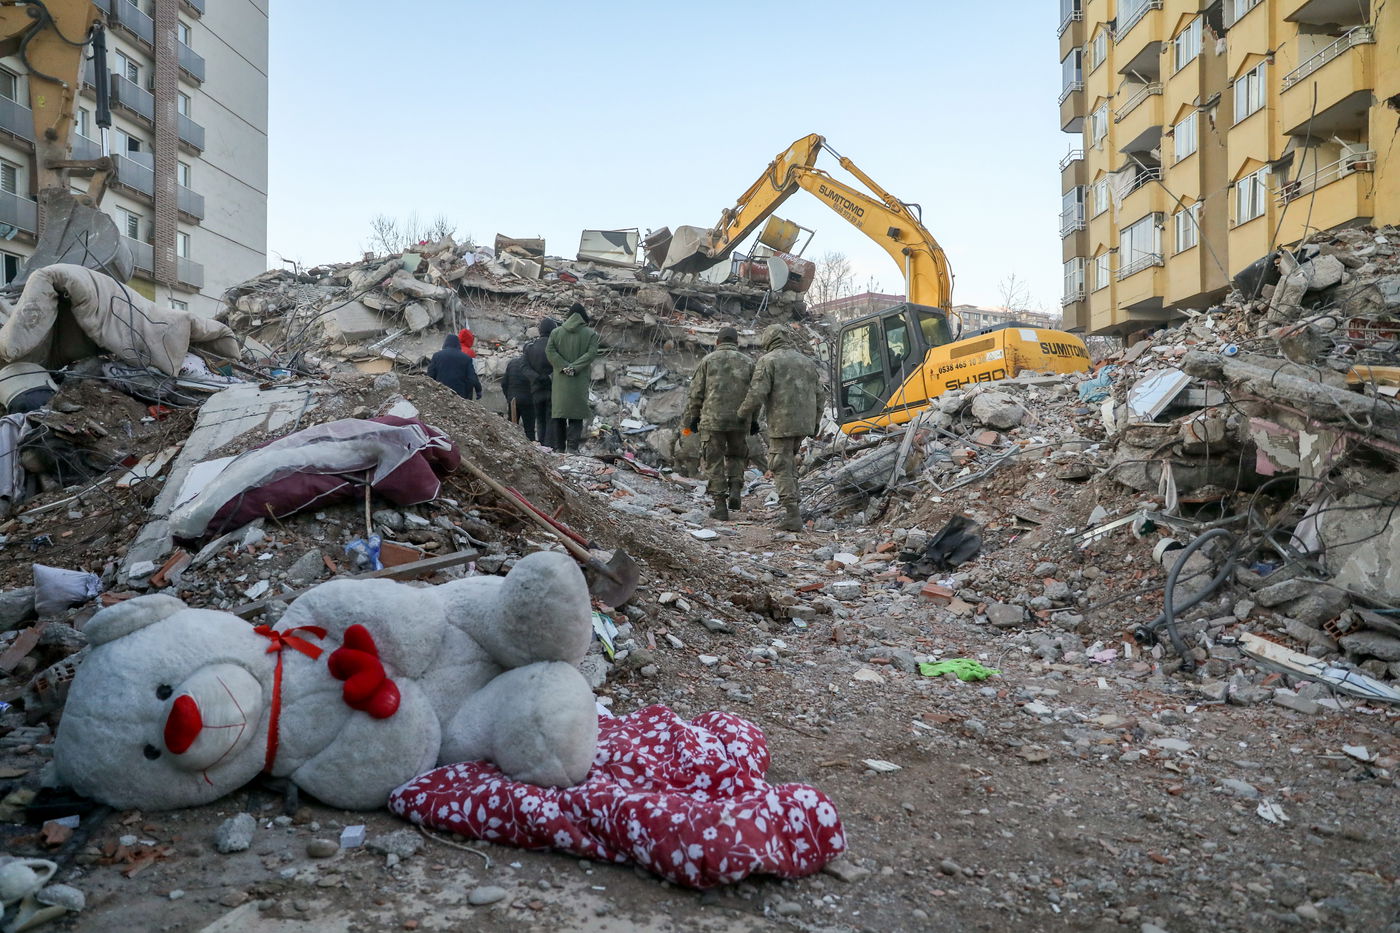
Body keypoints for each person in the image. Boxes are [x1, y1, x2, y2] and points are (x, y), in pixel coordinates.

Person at [738, 324, 825, 532]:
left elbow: (757, 393)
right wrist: (815, 422)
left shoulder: (768, 361)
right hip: (803, 424)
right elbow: (820, 395)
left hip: (782, 423)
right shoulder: (806, 361)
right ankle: (795, 509)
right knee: (789, 464)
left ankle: (792, 515)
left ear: (768, 339)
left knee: (779, 465)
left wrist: (742, 413)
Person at [681, 327, 754, 520]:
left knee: (714, 461)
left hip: (712, 421)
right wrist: (754, 419)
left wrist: (694, 417)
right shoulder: (748, 363)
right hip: (740, 420)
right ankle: (735, 487)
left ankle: (720, 506)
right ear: (737, 342)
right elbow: (755, 395)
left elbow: (696, 393)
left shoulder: (707, 361)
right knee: (737, 455)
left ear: (717, 342)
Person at [545, 303, 599, 454]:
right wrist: (574, 367)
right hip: (579, 381)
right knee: (576, 414)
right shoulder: (591, 334)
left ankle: (559, 447)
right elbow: (591, 354)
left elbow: (549, 351)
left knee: (559, 414)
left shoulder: (556, 332)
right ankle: (572, 447)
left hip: (560, 381)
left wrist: (563, 366)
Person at [524, 317, 559, 448]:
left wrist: (537, 377)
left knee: (540, 419)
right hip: (553, 388)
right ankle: (549, 447)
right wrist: (548, 377)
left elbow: (524, 367)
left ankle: (542, 446)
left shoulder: (530, 347)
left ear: (540, 330)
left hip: (536, 388)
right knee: (551, 418)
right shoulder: (556, 347)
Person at [426, 333, 482, 401]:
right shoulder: (466, 358)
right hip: (460, 395)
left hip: (441, 393)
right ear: (458, 344)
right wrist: (478, 390)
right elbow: (472, 377)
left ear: (445, 343)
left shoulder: (437, 356)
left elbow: (430, 374)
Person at [502, 354, 540, 441]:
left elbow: (504, 383)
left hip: (513, 400)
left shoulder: (512, 363)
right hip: (529, 401)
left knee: (512, 427)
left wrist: (508, 397)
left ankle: (511, 444)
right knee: (529, 429)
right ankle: (531, 445)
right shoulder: (533, 365)